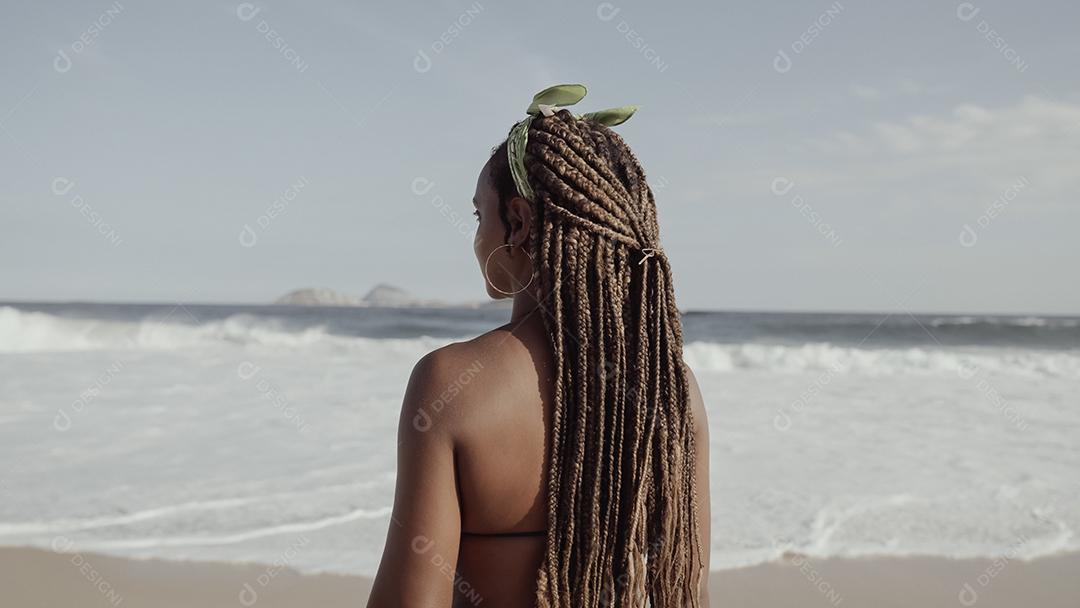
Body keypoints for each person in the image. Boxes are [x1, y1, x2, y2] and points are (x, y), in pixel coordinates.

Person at [367, 84, 710, 607]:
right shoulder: (674, 389)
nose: (477, 237)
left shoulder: (451, 384)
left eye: (479, 215)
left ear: (520, 222)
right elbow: (691, 589)